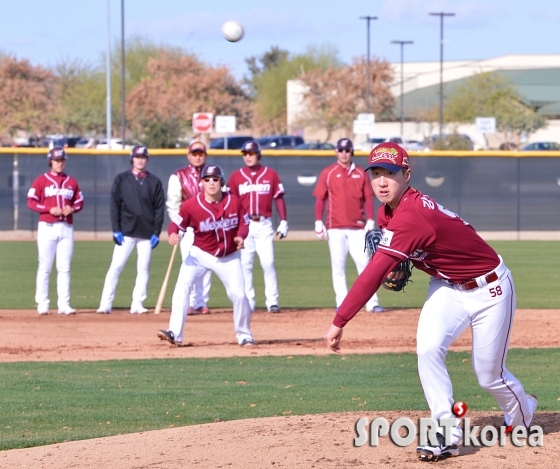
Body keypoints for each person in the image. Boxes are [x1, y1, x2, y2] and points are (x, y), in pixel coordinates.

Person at [323, 142, 539, 461]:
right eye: (376, 174)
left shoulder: (411, 215)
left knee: (489, 375)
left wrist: (339, 320)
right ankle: (445, 433)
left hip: (491, 290)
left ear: (407, 174)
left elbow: (374, 273)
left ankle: (523, 412)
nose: (382, 181)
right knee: (426, 348)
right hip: (447, 285)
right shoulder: (389, 211)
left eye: (391, 174)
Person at [157, 164, 255, 346]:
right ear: (201, 183)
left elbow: (244, 222)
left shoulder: (233, 201)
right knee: (182, 287)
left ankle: (244, 334)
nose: (211, 183)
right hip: (200, 254)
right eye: (207, 179)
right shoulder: (191, 205)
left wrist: (241, 236)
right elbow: (177, 223)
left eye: (215, 179)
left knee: (240, 295)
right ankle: (175, 333)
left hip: (228, 256)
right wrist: (173, 233)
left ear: (221, 182)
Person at [313, 137, 383, 313]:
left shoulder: (360, 172)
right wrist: (318, 221)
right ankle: (342, 303)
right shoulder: (328, 172)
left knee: (366, 265)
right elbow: (320, 199)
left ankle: (372, 302)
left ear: (351, 152)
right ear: (336, 151)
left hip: (357, 227)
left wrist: (370, 220)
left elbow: (368, 198)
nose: (344, 153)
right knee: (338, 265)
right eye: (341, 150)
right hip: (334, 226)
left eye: (347, 150)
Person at [97, 146, 165, 314]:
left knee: (143, 268)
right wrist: (116, 229)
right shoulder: (122, 179)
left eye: (143, 157)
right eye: (137, 157)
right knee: (116, 266)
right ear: (132, 159)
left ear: (147, 160)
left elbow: (159, 209)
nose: (140, 160)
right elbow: (115, 205)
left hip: (147, 233)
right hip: (126, 231)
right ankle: (105, 303)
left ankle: (137, 303)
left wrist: (156, 232)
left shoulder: (154, 182)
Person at [227, 140, 288, 313]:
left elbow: (279, 198)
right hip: (244, 225)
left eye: (251, 153)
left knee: (268, 262)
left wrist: (283, 221)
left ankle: (272, 300)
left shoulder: (271, 174)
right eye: (245, 154)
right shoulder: (236, 176)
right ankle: (248, 300)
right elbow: (230, 202)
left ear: (258, 154)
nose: (248, 156)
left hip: (264, 224)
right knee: (245, 264)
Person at [27, 147, 84, 315]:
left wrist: (72, 208)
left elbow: (80, 201)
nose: (60, 163)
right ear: (50, 162)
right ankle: (42, 304)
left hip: (66, 227)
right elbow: (31, 202)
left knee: (64, 267)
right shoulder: (41, 181)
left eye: (62, 160)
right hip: (47, 226)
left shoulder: (71, 181)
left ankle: (64, 305)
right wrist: (48, 209)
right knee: (45, 267)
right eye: (57, 160)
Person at [166, 141, 212, 315]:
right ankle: (190, 303)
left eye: (201, 153)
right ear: (189, 155)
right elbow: (173, 204)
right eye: (195, 153)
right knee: (190, 264)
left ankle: (201, 302)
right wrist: (177, 227)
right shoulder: (178, 175)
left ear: (205, 156)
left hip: (209, 227)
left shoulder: (213, 174)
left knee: (207, 265)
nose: (197, 156)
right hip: (189, 228)